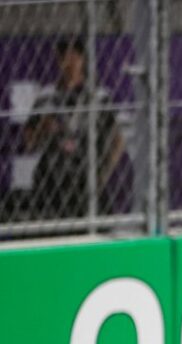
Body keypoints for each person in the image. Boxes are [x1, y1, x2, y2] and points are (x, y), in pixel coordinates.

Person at [21, 37, 126, 219]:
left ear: (82, 59)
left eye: (74, 56)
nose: (69, 62)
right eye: (63, 57)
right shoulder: (46, 96)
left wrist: (102, 175)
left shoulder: (98, 97)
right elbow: (29, 143)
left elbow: (118, 139)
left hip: (85, 177)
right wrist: (43, 129)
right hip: (51, 179)